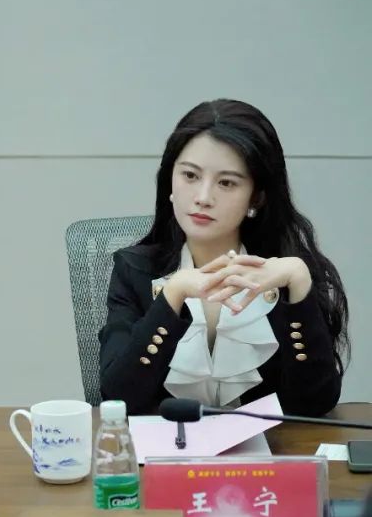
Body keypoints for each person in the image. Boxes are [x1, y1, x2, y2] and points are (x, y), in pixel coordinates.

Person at [99, 99, 348, 417]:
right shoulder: (134, 270)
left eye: (226, 182)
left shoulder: (287, 273)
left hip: (267, 447)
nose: (203, 197)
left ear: (256, 197)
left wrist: (299, 282)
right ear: (169, 182)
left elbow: (314, 404)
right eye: (190, 176)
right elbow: (118, 399)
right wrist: (172, 296)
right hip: (168, 447)